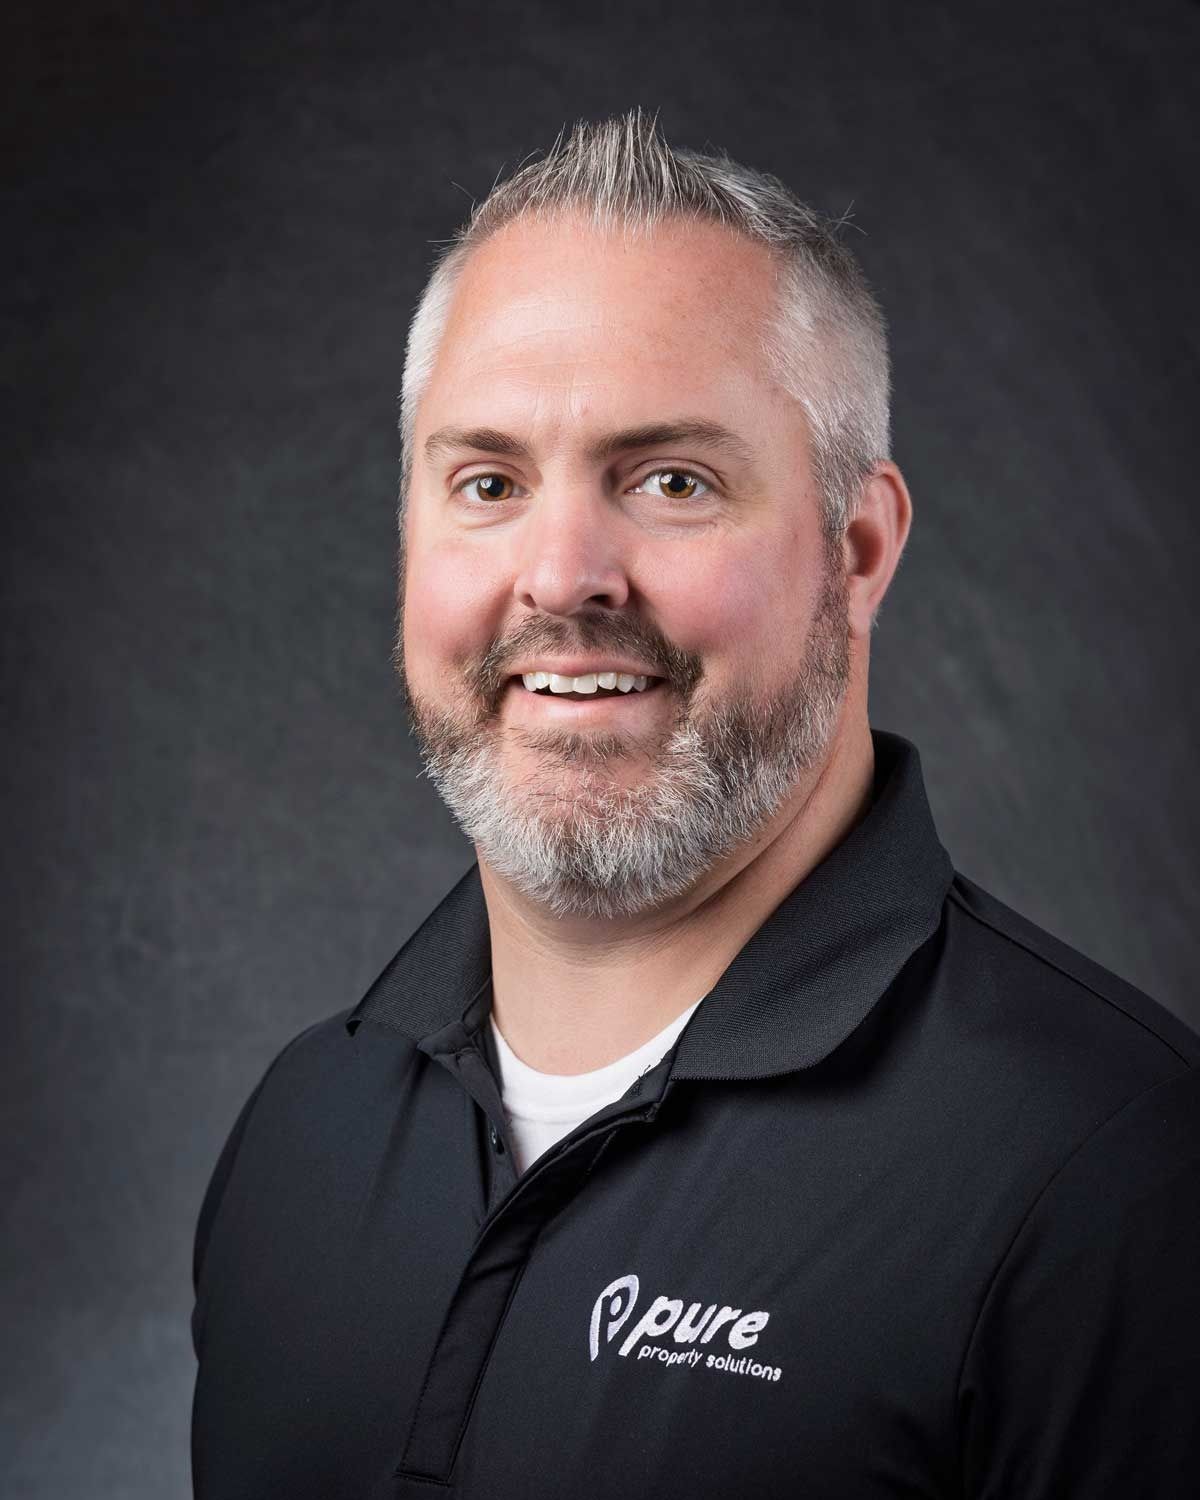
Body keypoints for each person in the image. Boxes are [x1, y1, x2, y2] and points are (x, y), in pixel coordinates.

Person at [190, 110, 1200, 1499]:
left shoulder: (1115, 1182)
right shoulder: (306, 1132)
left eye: (672, 481)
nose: (563, 576)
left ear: (858, 549)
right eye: (488, 482)